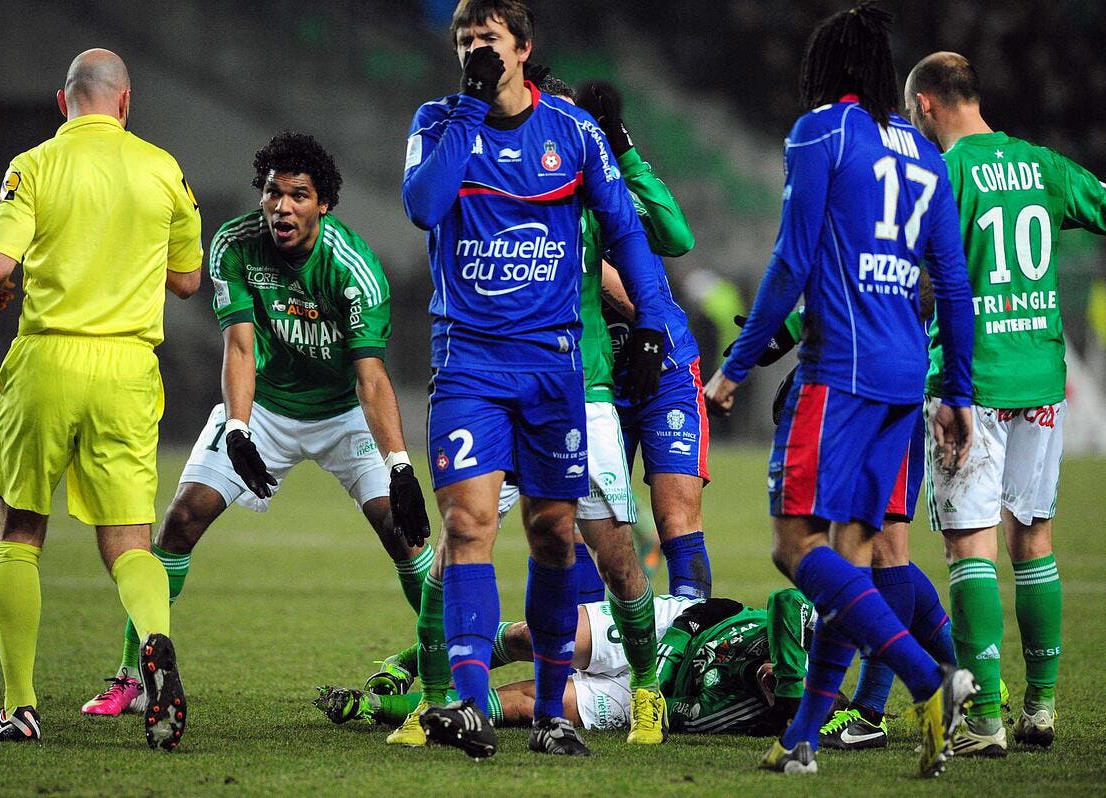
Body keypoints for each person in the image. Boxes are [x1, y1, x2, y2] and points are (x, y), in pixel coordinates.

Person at [704, 2, 978, 777]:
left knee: (796, 547)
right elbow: (951, 286)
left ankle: (928, 678)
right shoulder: (925, 156)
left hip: (840, 376)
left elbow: (791, 262)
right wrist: (954, 388)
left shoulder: (823, 130)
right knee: (850, 566)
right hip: (903, 379)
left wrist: (735, 364)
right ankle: (804, 739)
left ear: (827, 67)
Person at [78, 132, 432, 718]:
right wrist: (239, 430)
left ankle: (451, 676)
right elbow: (239, 348)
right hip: (264, 405)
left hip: (343, 412)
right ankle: (133, 677)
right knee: (181, 519)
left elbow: (371, 377)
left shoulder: (356, 270)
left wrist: (400, 466)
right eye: (273, 193)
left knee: (406, 534)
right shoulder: (234, 245)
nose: (282, 207)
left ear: (323, 204)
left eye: (298, 194)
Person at [402, 0, 669, 758]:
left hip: (553, 368)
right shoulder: (438, 121)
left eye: (486, 39)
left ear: (523, 47)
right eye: (463, 40)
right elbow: (424, 206)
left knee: (554, 535)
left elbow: (625, 230)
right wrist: (469, 108)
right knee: (465, 527)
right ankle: (468, 704)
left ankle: (551, 713)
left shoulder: (573, 133)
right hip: (469, 365)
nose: (472, 50)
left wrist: (650, 322)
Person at [0, 49, 202, 749]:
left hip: (49, 359)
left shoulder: (33, 166)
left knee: (20, 532)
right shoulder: (163, 168)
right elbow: (187, 278)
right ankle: (154, 642)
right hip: (128, 368)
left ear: (64, 103)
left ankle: (20, 707)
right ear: (125, 104)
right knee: (129, 541)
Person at [905, 51, 1106, 755]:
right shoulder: (1042, 166)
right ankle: (1042, 709)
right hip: (1040, 379)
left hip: (971, 381)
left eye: (914, 114)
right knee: (1035, 538)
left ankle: (986, 718)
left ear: (929, 103)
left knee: (971, 543)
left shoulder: (942, 175)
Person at [727, 306, 959, 751]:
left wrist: (783, 331)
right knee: (855, 551)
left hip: (885, 377)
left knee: (873, 547)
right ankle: (966, 680)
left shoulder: (908, 245)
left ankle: (876, 709)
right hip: (861, 373)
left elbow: (927, 284)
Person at [317, 588, 817, 736]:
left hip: (652, 700)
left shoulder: (743, 715)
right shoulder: (794, 635)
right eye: (788, 670)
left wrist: (784, 711)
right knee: (533, 637)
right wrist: (792, 685)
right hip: (666, 627)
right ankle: (406, 661)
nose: (772, 678)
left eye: (776, 690)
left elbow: (682, 719)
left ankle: (373, 707)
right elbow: (773, 601)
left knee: (523, 706)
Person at [575, 79, 712, 603]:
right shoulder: (539, 200)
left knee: (676, 517)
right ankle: (594, 655)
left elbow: (677, 237)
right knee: (581, 527)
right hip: (596, 378)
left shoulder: (609, 186)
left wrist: (625, 147)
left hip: (667, 368)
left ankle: (686, 643)